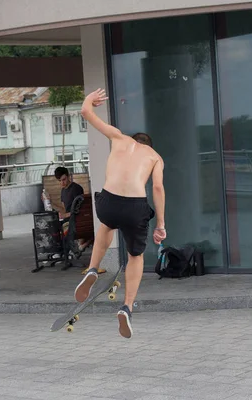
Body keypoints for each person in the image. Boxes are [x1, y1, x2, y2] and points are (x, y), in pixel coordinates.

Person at [75, 88, 166, 339]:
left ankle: (93, 269)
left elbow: (85, 112)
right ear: (149, 145)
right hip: (136, 206)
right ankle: (126, 307)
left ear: (133, 139)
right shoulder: (155, 157)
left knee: (106, 224)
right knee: (135, 256)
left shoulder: (118, 137)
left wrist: (90, 100)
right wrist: (160, 223)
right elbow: (157, 187)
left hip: (109, 201)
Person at [44, 167, 97, 268]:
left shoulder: (76, 189)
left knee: (58, 227)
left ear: (68, 177)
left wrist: (65, 215)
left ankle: (62, 253)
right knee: (53, 224)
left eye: (64, 179)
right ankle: (61, 252)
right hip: (71, 219)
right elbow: (64, 210)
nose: (62, 183)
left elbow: (78, 211)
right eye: (60, 181)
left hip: (76, 221)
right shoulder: (63, 191)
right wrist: (50, 202)